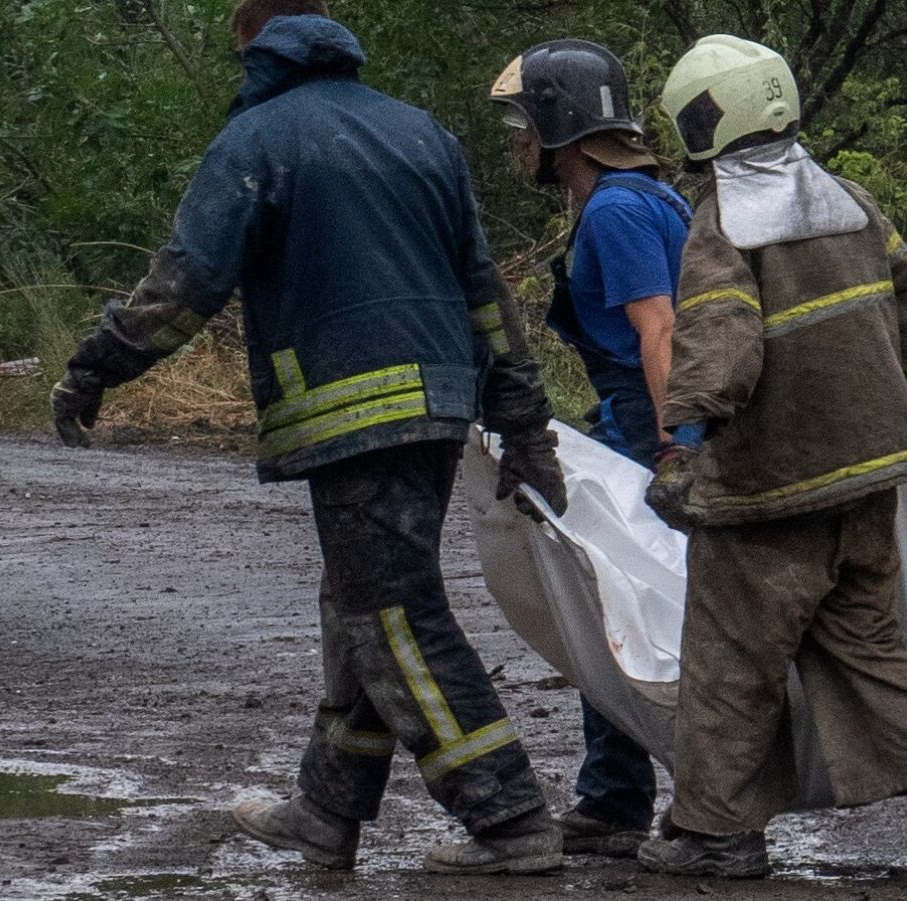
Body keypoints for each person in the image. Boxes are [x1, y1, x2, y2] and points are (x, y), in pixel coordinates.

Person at [50, 0, 571, 875]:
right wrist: (524, 426)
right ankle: (327, 810)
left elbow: (185, 285)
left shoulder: (256, 141)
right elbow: (488, 294)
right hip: (438, 410)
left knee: (392, 615)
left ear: (251, 44)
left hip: (351, 418)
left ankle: (510, 814)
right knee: (359, 604)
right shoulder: (422, 135)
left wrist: (96, 365)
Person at [635, 34, 907, 883]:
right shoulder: (851, 199)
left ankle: (716, 833)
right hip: (872, 473)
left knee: (733, 656)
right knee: (866, 638)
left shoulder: (726, 220)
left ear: (705, 121)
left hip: (769, 488)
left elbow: (722, 343)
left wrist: (682, 445)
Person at [488, 39, 693, 858]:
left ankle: (620, 801)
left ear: (557, 125)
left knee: (618, 609)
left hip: (650, 429)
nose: (517, 144)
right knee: (618, 601)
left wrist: (672, 445)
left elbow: (660, 327)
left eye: (522, 126)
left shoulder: (613, 210)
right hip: (636, 418)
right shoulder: (651, 197)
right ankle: (616, 796)